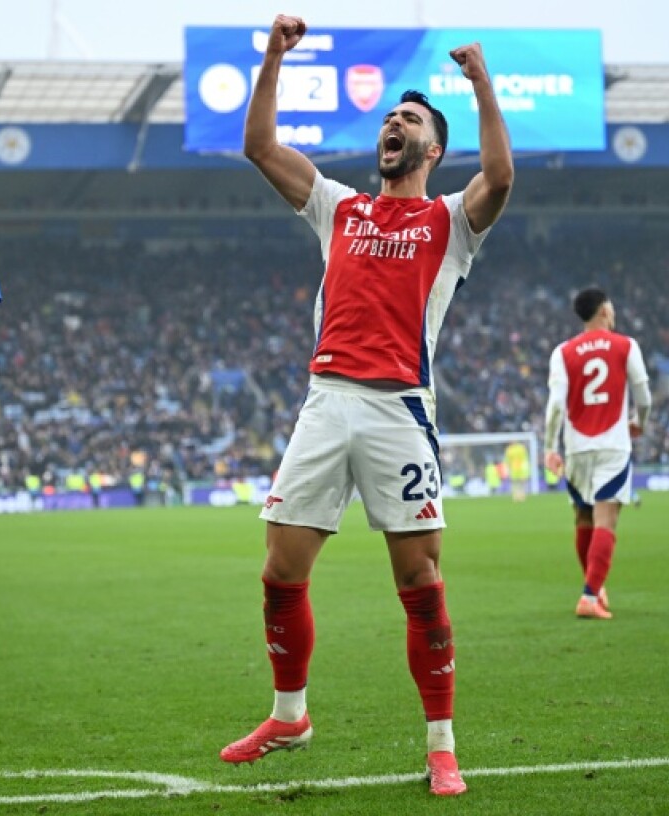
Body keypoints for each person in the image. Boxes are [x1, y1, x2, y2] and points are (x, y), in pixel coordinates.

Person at [218, 14, 514, 797]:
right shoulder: (340, 208)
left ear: (432, 149)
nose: (394, 124)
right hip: (326, 404)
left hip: (399, 414)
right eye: (390, 118)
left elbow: (502, 178)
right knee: (280, 571)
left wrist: (482, 82)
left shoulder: (450, 222)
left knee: (419, 581)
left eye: (409, 120)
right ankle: (290, 714)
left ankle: (442, 744)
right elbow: (260, 148)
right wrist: (275, 56)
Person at [543, 288, 651, 621]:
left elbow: (556, 406)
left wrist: (549, 447)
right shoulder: (626, 345)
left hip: (577, 448)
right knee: (607, 521)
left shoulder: (563, 352)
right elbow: (643, 396)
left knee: (583, 518)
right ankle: (590, 596)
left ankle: (595, 586)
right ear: (604, 310)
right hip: (612, 447)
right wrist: (639, 422)